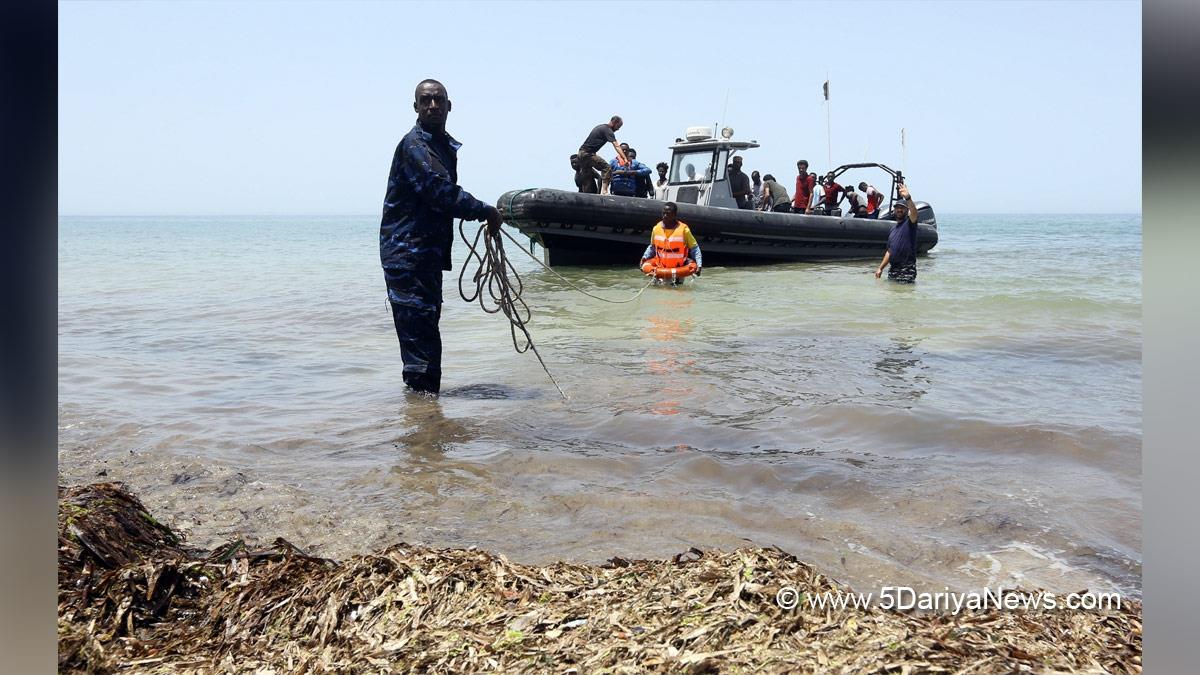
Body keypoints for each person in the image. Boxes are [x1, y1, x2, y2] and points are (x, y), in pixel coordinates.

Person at [380, 79, 502, 396]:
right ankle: (421, 422)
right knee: (420, 343)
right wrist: (484, 210)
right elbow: (438, 192)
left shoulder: (440, 145)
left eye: (438, 100)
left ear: (449, 106)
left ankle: (425, 419)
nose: (432, 105)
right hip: (407, 257)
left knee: (427, 333)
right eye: (425, 100)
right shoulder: (415, 147)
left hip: (426, 256)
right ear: (416, 107)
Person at [640, 202, 702, 278]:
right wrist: (644, 257)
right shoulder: (656, 229)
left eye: (668, 214)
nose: (665, 216)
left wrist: (699, 265)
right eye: (663, 213)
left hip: (678, 271)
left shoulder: (684, 230)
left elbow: (694, 248)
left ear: (674, 215)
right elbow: (652, 247)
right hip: (659, 270)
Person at [875, 183, 920, 283]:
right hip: (893, 269)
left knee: (904, 296)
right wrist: (880, 268)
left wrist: (907, 197)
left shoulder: (910, 223)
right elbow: (890, 251)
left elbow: (915, 214)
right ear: (894, 210)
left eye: (902, 208)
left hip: (907, 269)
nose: (899, 209)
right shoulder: (893, 230)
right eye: (897, 207)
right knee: (893, 296)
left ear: (907, 210)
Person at [578, 116, 628, 195]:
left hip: (581, 153)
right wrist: (625, 159)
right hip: (587, 154)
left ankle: (585, 193)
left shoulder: (601, 127)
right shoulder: (608, 130)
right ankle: (604, 191)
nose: (618, 129)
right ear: (614, 122)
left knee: (587, 174)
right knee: (606, 168)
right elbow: (617, 146)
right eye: (618, 126)